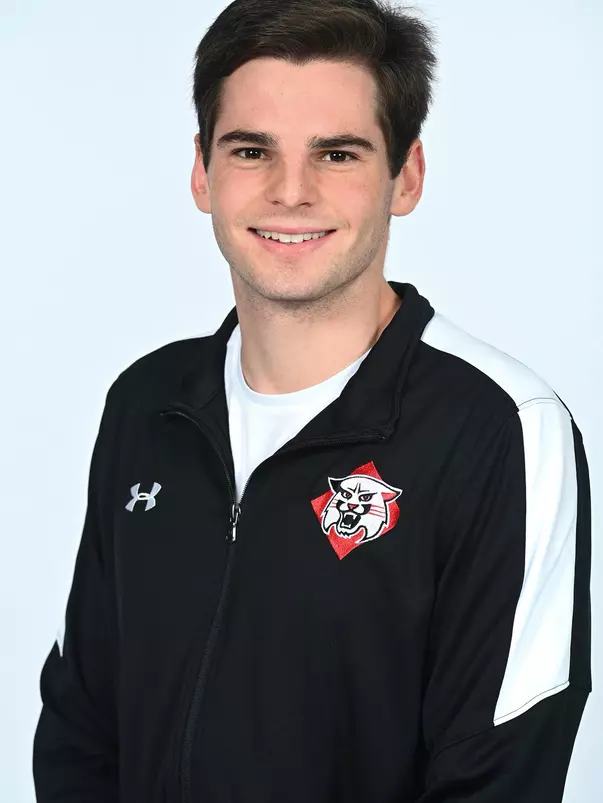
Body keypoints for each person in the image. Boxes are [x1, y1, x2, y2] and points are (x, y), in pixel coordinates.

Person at [33, 0, 592, 801]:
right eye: (252, 149)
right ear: (202, 171)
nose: (289, 191)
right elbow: (81, 727)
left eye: (336, 154)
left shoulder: (502, 430)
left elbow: (497, 773)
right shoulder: (145, 404)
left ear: (406, 177)